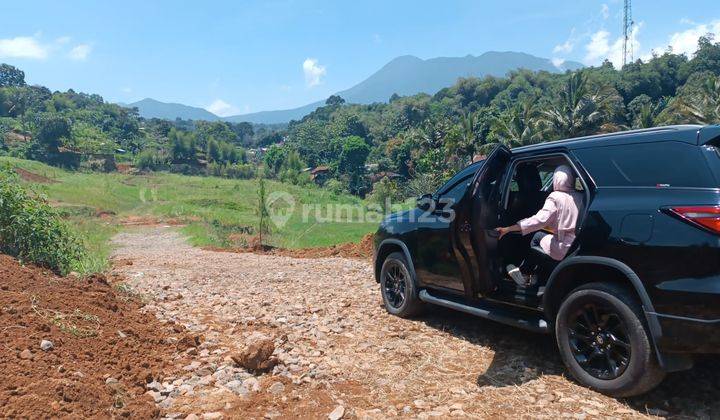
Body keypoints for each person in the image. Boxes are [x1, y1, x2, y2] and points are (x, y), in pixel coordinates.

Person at [495, 165, 583, 286]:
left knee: (536, 237)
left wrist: (508, 229)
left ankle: (525, 272)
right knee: (543, 236)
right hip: (577, 245)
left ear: (556, 179)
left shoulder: (555, 197)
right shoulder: (581, 196)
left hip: (563, 248)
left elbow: (539, 221)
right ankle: (538, 274)